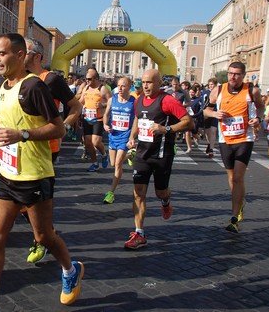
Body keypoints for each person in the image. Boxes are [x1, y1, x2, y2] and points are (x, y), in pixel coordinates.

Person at [0, 33, 84, 312]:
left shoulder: (34, 86)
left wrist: (22, 134)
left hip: (35, 176)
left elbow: (59, 128)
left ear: (20, 55)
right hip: (7, 174)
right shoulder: (3, 86)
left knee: (44, 238)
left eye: (2, 53)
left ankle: (70, 269)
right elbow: (9, 126)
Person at [22, 37, 82, 263]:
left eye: (24, 51)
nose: (20, 54)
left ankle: (43, 238)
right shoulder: (20, 79)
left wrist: (64, 126)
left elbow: (76, 106)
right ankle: (46, 233)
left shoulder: (52, 79)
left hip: (46, 148)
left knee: (33, 198)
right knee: (20, 202)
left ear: (37, 56)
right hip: (20, 146)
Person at [124, 69, 193, 249]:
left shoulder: (168, 100)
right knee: (138, 192)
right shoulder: (138, 100)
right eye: (143, 82)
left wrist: (167, 129)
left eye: (150, 82)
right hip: (142, 154)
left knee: (160, 191)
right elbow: (138, 120)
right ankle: (139, 233)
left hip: (162, 154)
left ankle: (166, 201)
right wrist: (132, 137)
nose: (145, 86)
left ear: (159, 83)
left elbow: (188, 122)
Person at [203, 62, 264, 233]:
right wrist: (215, 113)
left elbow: (261, 108)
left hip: (245, 138)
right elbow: (206, 110)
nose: (233, 77)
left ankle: (235, 217)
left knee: (237, 177)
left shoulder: (252, 91)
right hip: (225, 139)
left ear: (243, 75)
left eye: (237, 74)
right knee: (231, 179)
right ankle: (240, 200)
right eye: (230, 73)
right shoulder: (218, 90)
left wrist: (258, 119)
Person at [102, 76, 135, 205]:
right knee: (112, 163)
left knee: (117, 164)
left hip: (125, 136)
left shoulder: (133, 102)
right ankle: (131, 155)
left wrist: (132, 136)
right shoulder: (112, 100)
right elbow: (106, 114)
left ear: (129, 87)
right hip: (113, 135)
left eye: (123, 86)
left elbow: (137, 120)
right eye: (119, 85)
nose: (120, 88)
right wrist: (105, 125)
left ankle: (111, 193)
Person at [79, 68, 110, 171]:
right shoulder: (86, 88)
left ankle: (104, 154)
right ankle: (95, 163)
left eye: (89, 79)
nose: (87, 81)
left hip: (98, 119)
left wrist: (103, 104)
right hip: (87, 118)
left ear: (96, 79)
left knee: (96, 142)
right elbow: (81, 101)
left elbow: (112, 101)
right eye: (86, 79)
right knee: (87, 143)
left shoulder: (102, 89)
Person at [167, 77, 192, 153]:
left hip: (180, 113)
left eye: (176, 84)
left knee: (186, 129)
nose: (175, 86)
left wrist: (183, 106)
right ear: (171, 84)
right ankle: (172, 145)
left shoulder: (183, 92)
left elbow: (189, 102)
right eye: (173, 84)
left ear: (179, 83)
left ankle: (189, 147)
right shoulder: (167, 91)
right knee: (171, 130)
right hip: (170, 113)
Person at [203, 78, 219, 158]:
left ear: (216, 85)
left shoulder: (219, 93)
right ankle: (209, 143)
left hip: (215, 114)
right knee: (207, 132)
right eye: (209, 85)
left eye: (212, 84)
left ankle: (211, 149)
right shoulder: (206, 93)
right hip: (207, 114)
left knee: (213, 131)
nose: (211, 86)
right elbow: (203, 103)